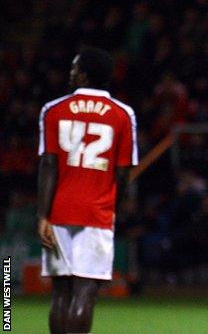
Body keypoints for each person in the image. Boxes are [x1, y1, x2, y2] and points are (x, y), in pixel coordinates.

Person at [37, 47, 138, 334]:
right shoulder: (123, 114)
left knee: (60, 292)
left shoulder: (53, 110)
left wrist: (42, 215)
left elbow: (48, 165)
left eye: (74, 69)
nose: (70, 74)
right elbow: (123, 173)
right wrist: (112, 209)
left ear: (84, 74)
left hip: (57, 213)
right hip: (97, 213)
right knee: (85, 291)